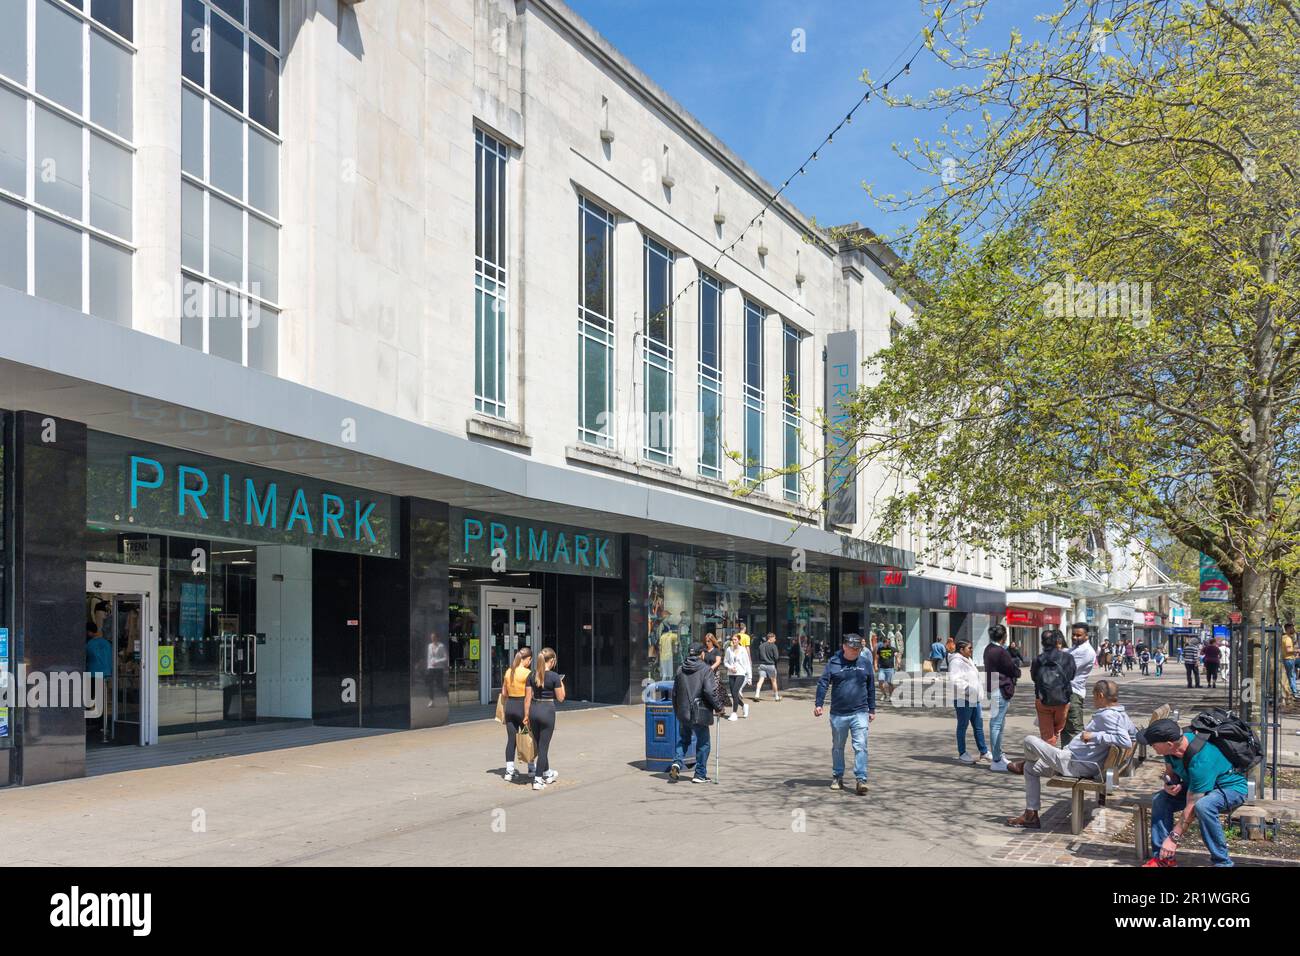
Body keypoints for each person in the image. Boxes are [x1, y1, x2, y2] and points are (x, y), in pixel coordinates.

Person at [1006, 679, 1137, 829]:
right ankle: (1031, 814)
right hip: (1081, 762)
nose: (1093, 700)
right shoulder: (1122, 715)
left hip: (1075, 764)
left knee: (1029, 741)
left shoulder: (1108, 716)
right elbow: (1134, 736)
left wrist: (1094, 736)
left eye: (1094, 696)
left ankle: (1024, 763)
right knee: (1031, 768)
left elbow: (1125, 741)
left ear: (1100, 695)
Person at [1139, 718, 1249, 867]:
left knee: (1203, 806)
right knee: (1161, 799)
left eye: (1153, 744)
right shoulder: (1170, 749)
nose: (1151, 746)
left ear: (1169, 744)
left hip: (1230, 788)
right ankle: (1164, 860)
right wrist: (1170, 784)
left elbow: (1191, 806)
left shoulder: (1201, 759)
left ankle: (1223, 863)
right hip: (1196, 786)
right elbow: (1171, 773)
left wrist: (1173, 839)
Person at [814, 634, 876, 795]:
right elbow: (823, 683)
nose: (856, 652)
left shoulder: (865, 663)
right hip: (839, 714)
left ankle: (861, 779)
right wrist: (819, 704)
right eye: (853, 649)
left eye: (858, 649)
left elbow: (871, 687)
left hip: (860, 711)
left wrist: (872, 709)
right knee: (838, 747)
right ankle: (837, 776)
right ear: (844, 647)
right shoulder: (834, 662)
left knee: (861, 746)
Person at [670, 642, 726, 783]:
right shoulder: (705, 669)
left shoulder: (680, 669)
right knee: (704, 743)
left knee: (684, 739)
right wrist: (719, 707)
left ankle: (677, 762)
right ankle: (700, 774)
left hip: (683, 712)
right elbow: (709, 691)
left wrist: (676, 710)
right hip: (699, 713)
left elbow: (674, 693)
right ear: (702, 654)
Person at [523, 647, 565, 791]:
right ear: (552, 661)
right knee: (543, 748)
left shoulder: (532, 675)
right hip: (547, 711)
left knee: (540, 744)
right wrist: (560, 682)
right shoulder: (554, 676)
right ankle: (538, 779)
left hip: (534, 710)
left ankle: (547, 773)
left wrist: (526, 715)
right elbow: (561, 698)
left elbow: (527, 698)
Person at [983, 624, 1021, 772]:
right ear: (1003, 636)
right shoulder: (1000, 651)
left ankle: (999, 754)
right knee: (997, 724)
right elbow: (1011, 668)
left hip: (994, 688)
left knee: (998, 723)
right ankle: (997, 760)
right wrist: (1017, 672)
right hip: (999, 688)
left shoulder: (988, 649)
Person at [1031, 629, 1076, 747]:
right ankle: (1052, 756)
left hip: (1042, 699)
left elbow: (1034, 677)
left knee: (1047, 735)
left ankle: (1049, 757)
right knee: (1057, 731)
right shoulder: (1068, 657)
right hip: (1063, 699)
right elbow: (1071, 676)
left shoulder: (1038, 659)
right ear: (1057, 641)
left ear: (1042, 643)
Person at [949, 639, 991, 764]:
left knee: (978, 726)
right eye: (969, 648)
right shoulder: (956, 662)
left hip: (974, 699)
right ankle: (962, 753)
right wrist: (969, 690)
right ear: (961, 650)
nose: (971, 650)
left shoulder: (968, 660)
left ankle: (983, 752)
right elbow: (955, 680)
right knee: (962, 726)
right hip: (963, 698)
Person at [501, 647, 535, 783]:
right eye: (530, 660)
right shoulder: (528, 673)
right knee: (528, 737)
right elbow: (530, 694)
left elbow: (504, 692)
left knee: (511, 740)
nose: (530, 662)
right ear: (527, 659)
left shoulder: (509, 671)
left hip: (510, 707)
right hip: (522, 707)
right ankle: (531, 768)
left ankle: (509, 771)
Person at [1063, 623, 1096, 748]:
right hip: (1067, 692)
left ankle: (1079, 757)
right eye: (1073, 635)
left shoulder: (1085, 651)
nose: (1075, 637)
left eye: (1079, 635)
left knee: (1074, 728)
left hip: (1074, 693)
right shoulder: (1075, 649)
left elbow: (1066, 669)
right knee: (1066, 728)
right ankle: (1066, 755)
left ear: (1086, 636)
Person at [723, 633, 751, 720]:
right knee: (733, 694)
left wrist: (749, 677)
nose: (733, 641)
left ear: (739, 640)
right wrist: (730, 667)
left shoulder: (743, 650)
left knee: (735, 692)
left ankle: (734, 713)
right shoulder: (729, 649)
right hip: (731, 674)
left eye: (735, 640)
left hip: (741, 673)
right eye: (732, 639)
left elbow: (747, 664)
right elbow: (725, 662)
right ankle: (744, 705)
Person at [753, 633, 781, 701]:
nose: (775, 639)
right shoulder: (774, 646)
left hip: (762, 665)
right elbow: (776, 657)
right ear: (770, 638)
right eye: (774, 638)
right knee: (774, 681)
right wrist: (774, 661)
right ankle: (777, 696)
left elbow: (759, 656)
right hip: (771, 665)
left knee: (761, 680)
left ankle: (757, 694)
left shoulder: (761, 646)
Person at [876, 636, 898, 703]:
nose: (888, 643)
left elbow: (897, 656)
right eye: (887, 642)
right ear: (884, 643)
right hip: (882, 668)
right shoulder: (880, 649)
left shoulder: (893, 649)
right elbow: (876, 657)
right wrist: (875, 665)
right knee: (880, 682)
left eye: (889, 642)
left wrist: (897, 664)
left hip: (890, 668)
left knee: (890, 683)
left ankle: (891, 696)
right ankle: (884, 694)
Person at [1283, 623, 1298, 698]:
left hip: (1288, 659)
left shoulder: (1285, 637)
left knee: (1291, 675)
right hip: (1289, 659)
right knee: (1292, 676)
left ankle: (1293, 691)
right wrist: (1297, 651)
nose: (1293, 630)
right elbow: (1288, 650)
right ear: (1288, 629)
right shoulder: (1288, 639)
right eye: (1292, 628)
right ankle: (1294, 692)